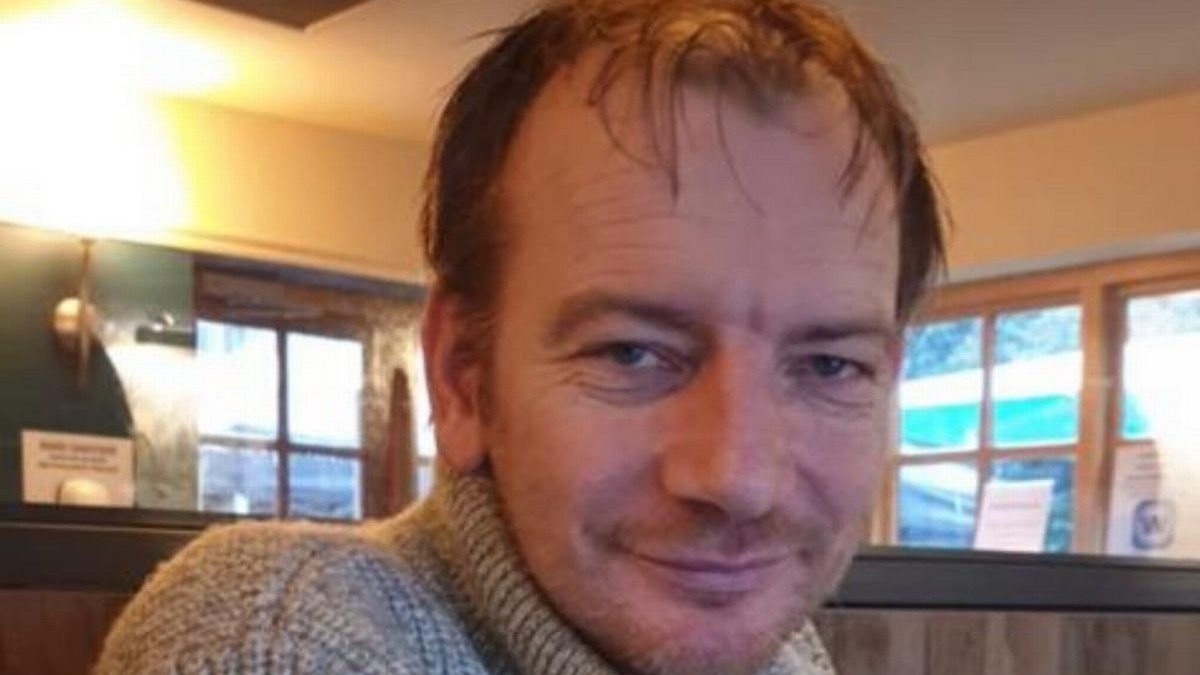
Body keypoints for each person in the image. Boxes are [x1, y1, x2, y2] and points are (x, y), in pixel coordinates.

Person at [96, 1, 945, 673]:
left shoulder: (787, 655)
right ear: (463, 376)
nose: (738, 478)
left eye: (831, 364)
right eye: (631, 352)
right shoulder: (282, 632)